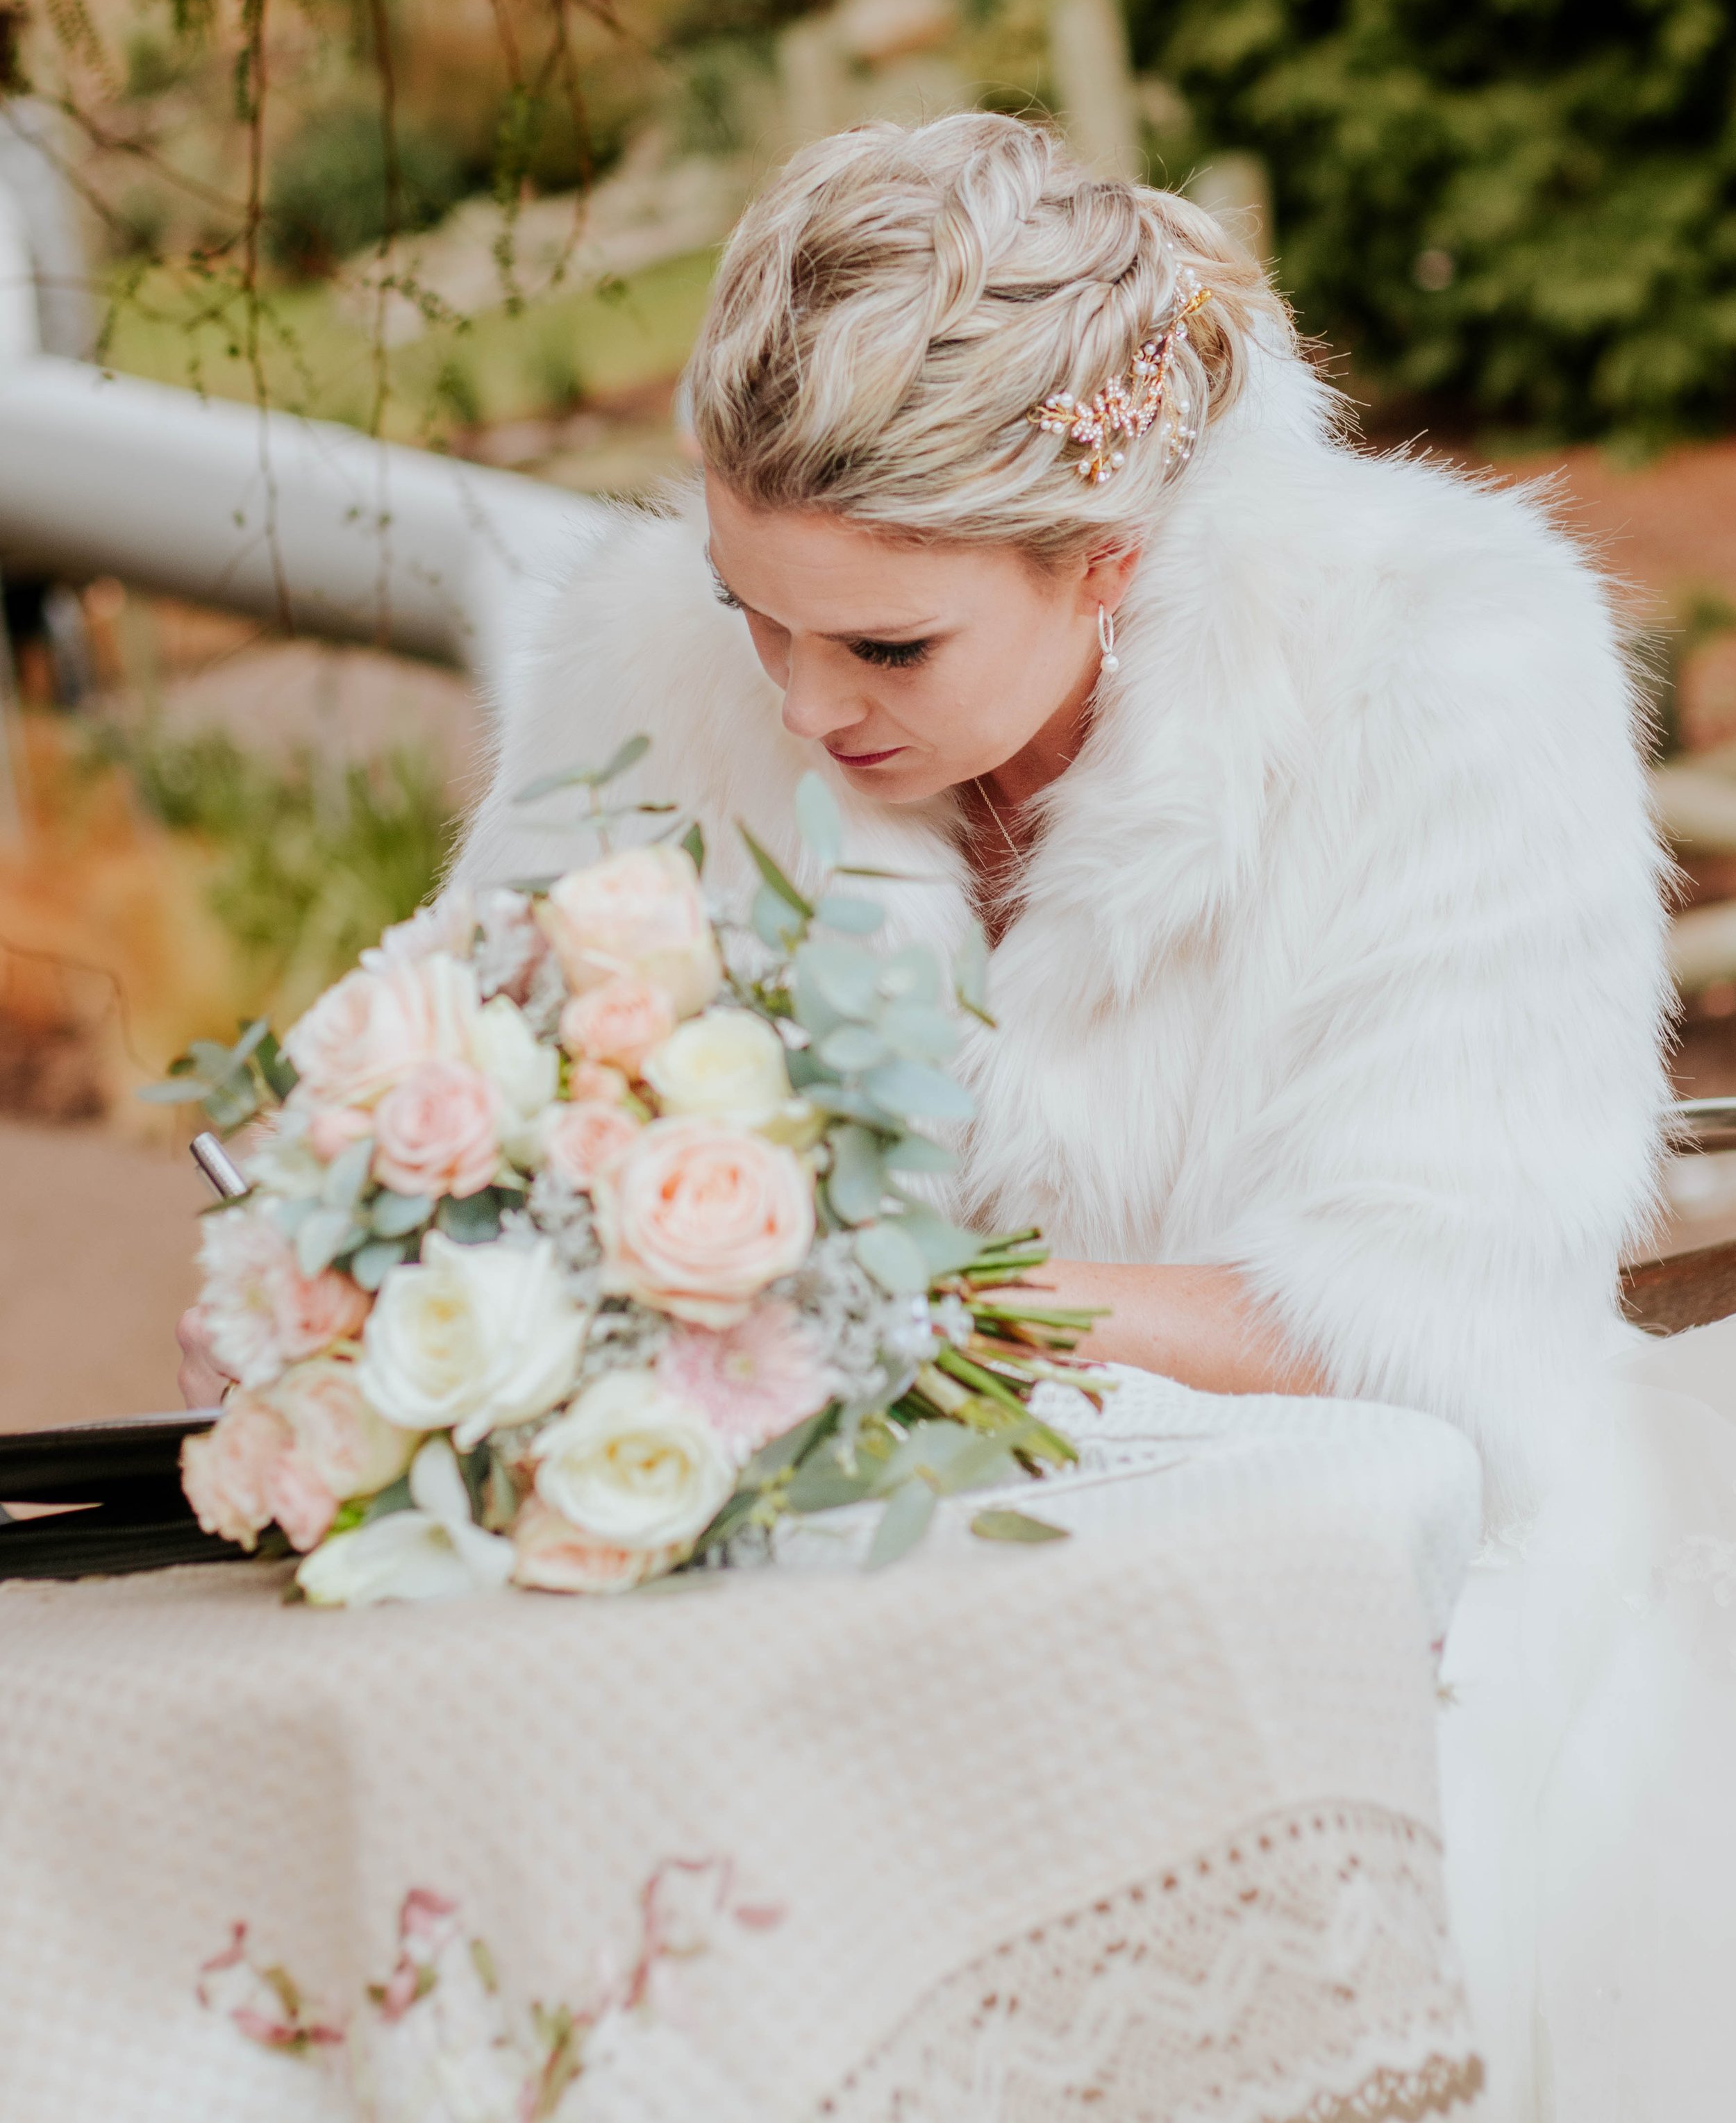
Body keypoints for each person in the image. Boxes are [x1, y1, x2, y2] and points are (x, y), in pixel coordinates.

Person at [180, 113, 1711, 2115]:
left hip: (1360, 1564)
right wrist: (365, 1271)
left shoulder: (1451, 658)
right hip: (799, 1581)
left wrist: (849, 1312)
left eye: (887, 644)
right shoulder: (654, 662)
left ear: (1110, 556)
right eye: (754, 613)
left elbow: (1426, 1317)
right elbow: (492, 1093)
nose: (804, 706)